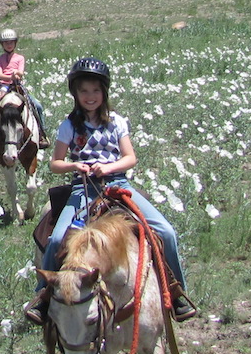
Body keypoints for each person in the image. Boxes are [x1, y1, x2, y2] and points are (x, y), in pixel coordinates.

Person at [24, 56, 196, 325]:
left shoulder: (116, 122)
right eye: (84, 91)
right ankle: (43, 297)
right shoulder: (69, 125)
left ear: (104, 92)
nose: (90, 96)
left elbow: (131, 158)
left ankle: (175, 293)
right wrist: (75, 164)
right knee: (57, 240)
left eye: (95, 90)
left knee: (165, 231)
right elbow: (56, 163)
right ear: (75, 93)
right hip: (83, 188)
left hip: (118, 185)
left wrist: (109, 167)